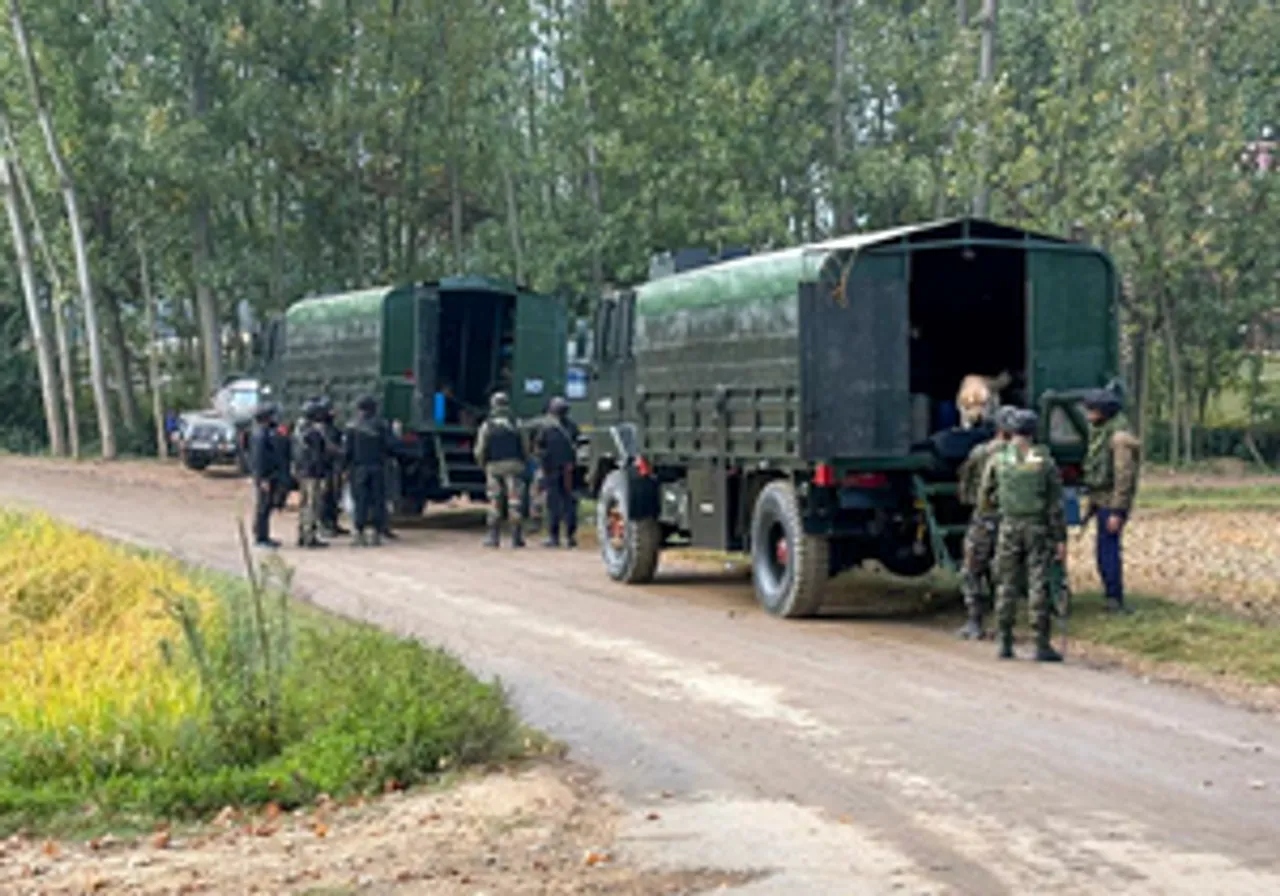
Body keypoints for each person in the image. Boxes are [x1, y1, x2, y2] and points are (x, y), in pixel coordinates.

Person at [981, 409, 1067, 662]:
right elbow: (1055, 504)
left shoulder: (999, 459)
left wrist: (998, 510)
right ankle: (1041, 643)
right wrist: (1060, 538)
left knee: (1006, 582)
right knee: (1038, 581)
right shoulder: (1043, 461)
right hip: (1037, 526)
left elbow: (984, 495)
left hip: (1009, 525)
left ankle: (1005, 642)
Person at [954, 404, 1018, 639]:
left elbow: (966, 484)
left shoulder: (982, 452)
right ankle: (1005, 625)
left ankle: (975, 621)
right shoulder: (1031, 455)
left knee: (972, 569)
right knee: (1007, 572)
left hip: (986, 517)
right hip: (1017, 519)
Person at [1082, 387, 1141, 614]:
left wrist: (1117, 511)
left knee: (1108, 551)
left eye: (1092, 410)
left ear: (1103, 412)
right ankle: (1111, 596)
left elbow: (1124, 477)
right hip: (1103, 500)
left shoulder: (1119, 439)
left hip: (1112, 503)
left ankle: (1114, 599)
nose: (1088, 414)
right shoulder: (1102, 433)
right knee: (1103, 550)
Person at [474, 391, 527, 548]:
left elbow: (480, 449)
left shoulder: (487, 425)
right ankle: (516, 537)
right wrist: (522, 461)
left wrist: (483, 464)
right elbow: (525, 446)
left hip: (494, 466)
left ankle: (493, 537)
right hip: (514, 465)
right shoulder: (517, 423)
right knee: (515, 502)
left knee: (494, 501)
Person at [344, 394, 396, 546]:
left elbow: (347, 451)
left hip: (358, 468)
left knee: (360, 501)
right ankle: (375, 533)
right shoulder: (381, 425)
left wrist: (344, 468)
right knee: (377, 500)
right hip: (377, 467)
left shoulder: (352, 426)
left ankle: (358, 533)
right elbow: (390, 446)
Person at [536, 396, 580, 548]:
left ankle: (554, 537)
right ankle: (570, 537)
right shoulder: (572, 427)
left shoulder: (546, 427)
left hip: (551, 469)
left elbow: (540, 447)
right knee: (570, 501)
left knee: (553, 503)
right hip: (569, 469)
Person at [293, 399, 330, 549]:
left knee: (304, 504)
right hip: (313, 473)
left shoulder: (299, 430)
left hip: (302, 471)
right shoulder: (313, 433)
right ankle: (310, 536)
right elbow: (317, 456)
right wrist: (322, 472)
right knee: (312, 505)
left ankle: (302, 534)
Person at [248, 402, 282, 549]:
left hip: (268, 475)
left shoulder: (265, 431)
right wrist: (262, 478)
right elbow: (259, 458)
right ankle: (261, 537)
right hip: (265, 476)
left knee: (266, 506)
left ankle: (264, 535)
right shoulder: (260, 434)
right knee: (263, 506)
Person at [317, 398, 348, 537]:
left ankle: (333, 523)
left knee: (334, 497)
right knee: (325, 497)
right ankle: (324, 525)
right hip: (324, 468)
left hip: (333, 467)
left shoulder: (332, 428)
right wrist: (342, 452)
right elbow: (329, 446)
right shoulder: (321, 429)